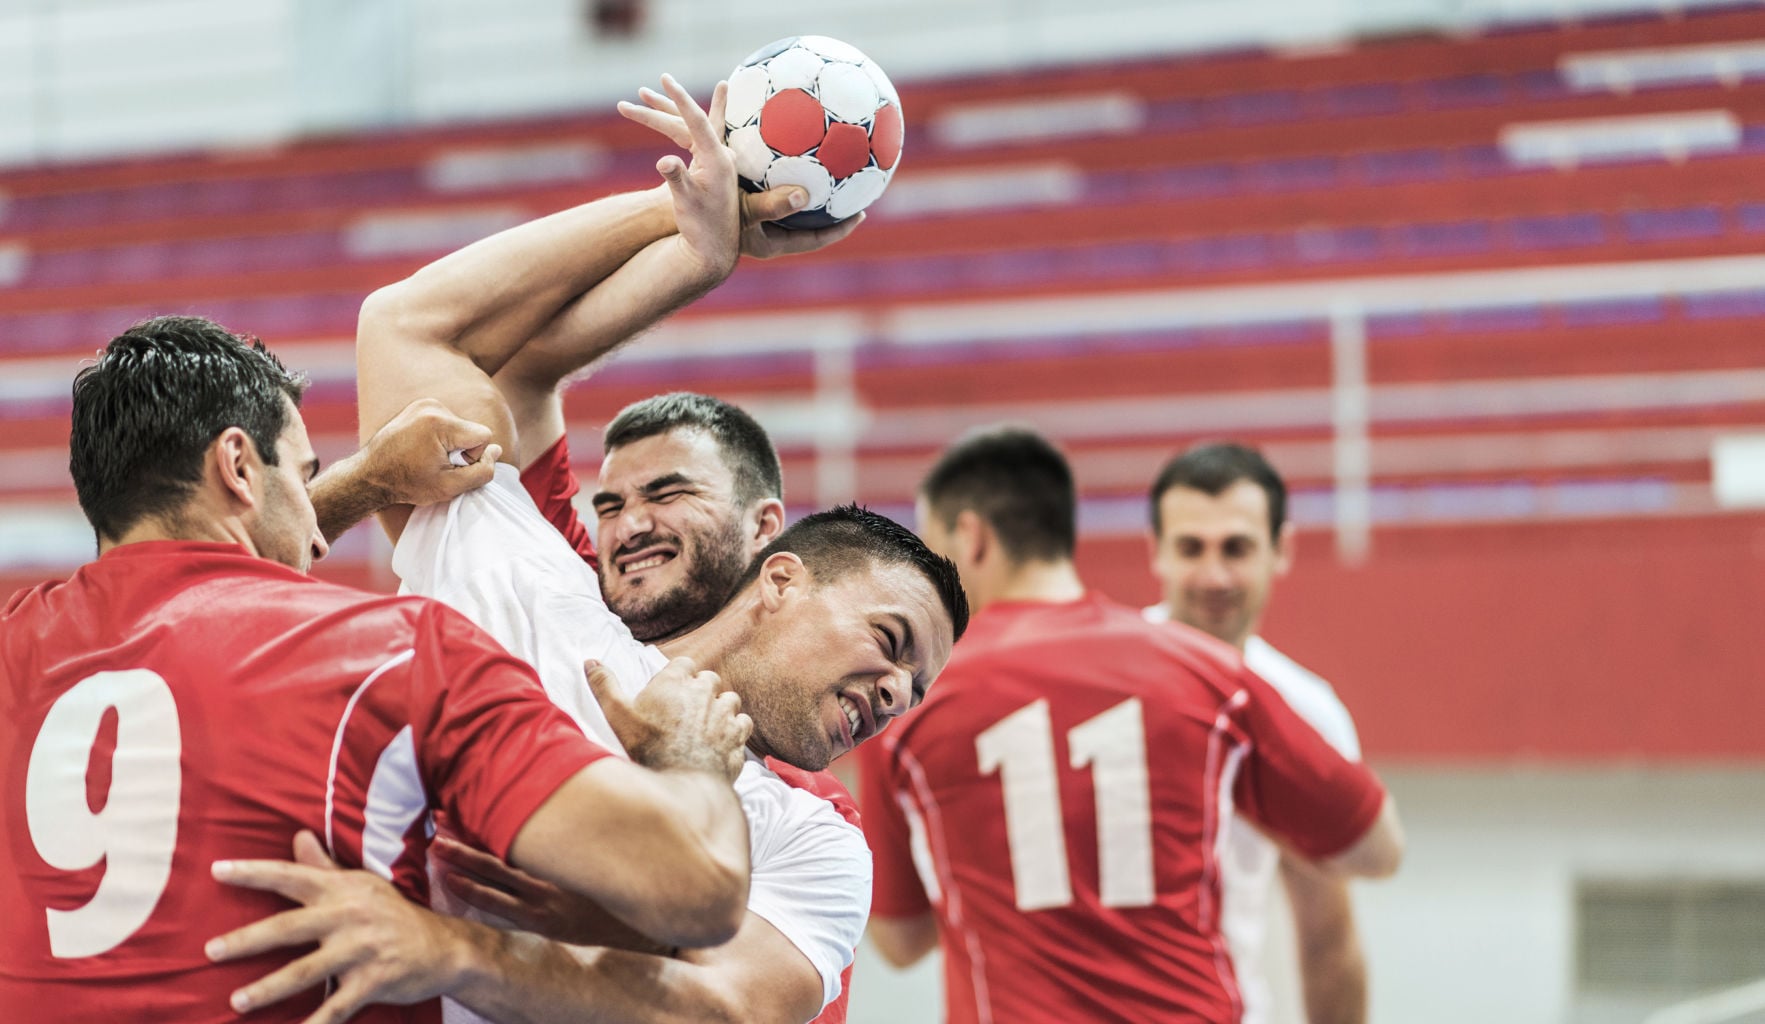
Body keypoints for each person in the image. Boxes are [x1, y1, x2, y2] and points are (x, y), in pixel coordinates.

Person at [207, 75, 968, 1024]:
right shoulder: (538, 586)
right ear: (782, 582)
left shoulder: (815, 830)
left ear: (767, 539)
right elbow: (407, 324)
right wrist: (687, 228)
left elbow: (729, 1012)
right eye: (892, 642)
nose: (627, 525)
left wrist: (475, 945)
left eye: (670, 494)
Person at [0, 316, 757, 1023]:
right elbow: (694, 890)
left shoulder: (14, 645)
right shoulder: (396, 649)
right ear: (237, 465)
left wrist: (366, 481)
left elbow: (188, 580)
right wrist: (688, 755)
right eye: (303, 476)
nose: (319, 540)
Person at [856, 426, 1403, 1024]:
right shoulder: (1210, 676)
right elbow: (1377, 851)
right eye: (1192, 547)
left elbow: (900, 941)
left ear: (972, 537)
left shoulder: (910, 700)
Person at [1146, 443, 1370, 1024]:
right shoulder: (1092, 681)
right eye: (1191, 548)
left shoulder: (1307, 713)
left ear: (1282, 549)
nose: (1214, 574)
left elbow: (1328, 935)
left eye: (1237, 548)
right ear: (1157, 553)